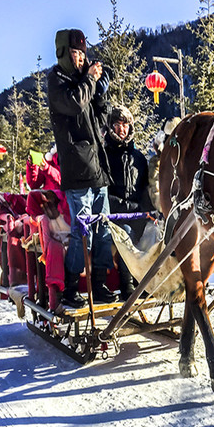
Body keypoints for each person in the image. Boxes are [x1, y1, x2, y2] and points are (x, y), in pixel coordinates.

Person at [47, 28, 117, 308]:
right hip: (77, 171)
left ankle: (98, 283)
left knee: (103, 228)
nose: (79, 59)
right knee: (81, 231)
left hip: (98, 168)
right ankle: (71, 288)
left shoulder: (82, 83)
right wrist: (89, 79)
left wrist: (101, 93)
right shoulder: (57, 81)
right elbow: (75, 104)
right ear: (64, 53)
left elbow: (98, 120)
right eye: (75, 54)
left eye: (82, 54)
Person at [104, 104, 150, 300]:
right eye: (117, 124)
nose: (121, 129)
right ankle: (127, 284)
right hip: (115, 216)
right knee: (127, 234)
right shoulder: (104, 155)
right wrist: (130, 208)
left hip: (139, 214)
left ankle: (148, 281)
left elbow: (146, 189)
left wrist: (149, 211)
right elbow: (104, 194)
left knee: (154, 233)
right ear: (110, 127)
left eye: (125, 124)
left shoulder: (138, 158)